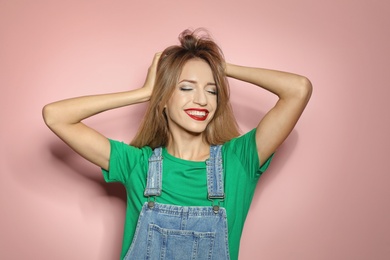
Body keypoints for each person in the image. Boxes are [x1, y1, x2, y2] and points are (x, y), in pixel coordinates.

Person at [43, 29, 312, 260]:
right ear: (163, 100)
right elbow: (56, 116)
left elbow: (298, 89)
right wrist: (143, 94)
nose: (202, 100)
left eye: (212, 90)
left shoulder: (239, 161)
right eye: (186, 88)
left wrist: (218, 65)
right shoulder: (136, 164)